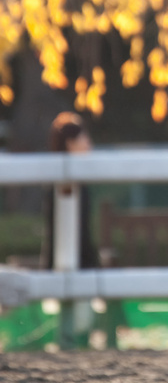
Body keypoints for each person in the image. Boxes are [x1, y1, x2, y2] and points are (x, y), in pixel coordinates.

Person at [41, 112, 98, 270]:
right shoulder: (62, 187)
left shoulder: (78, 184)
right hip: (72, 266)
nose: (89, 143)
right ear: (70, 143)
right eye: (84, 138)